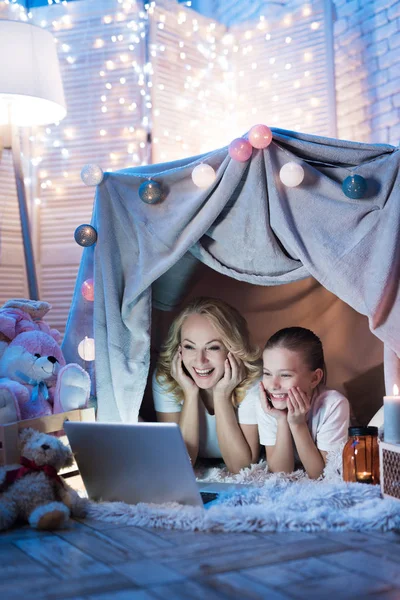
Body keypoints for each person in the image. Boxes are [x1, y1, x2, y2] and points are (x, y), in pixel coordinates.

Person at [153, 297, 261, 473]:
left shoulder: (254, 380)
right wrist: (190, 393)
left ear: (232, 348)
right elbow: (180, 464)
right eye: (189, 347)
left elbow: (242, 467)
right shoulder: (166, 378)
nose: (200, 360)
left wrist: (221, 396)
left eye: (213, 347)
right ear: (179, 349)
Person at [257, 327, 349, 479]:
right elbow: (280, 473)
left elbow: (322, 475)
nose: (273, 385)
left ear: (314, 378)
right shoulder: (267, 402)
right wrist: (282, 420)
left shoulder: (334, 405)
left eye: (285, 375)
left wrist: (297, 424)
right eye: (267, 373)